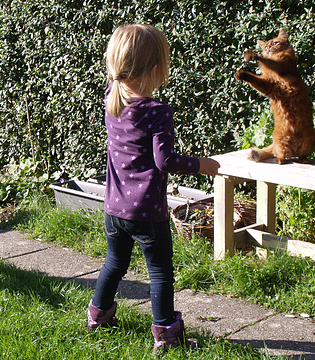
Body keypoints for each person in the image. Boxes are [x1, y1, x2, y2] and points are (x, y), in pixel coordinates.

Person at [86, 24, 220, 354]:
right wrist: (203, 165)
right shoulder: (157, 112)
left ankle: (97, 318)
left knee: (114, 264)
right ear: (157, 69)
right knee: (160, 272)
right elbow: (165, 161)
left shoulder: (111, 98)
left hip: (114, 208)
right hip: (147, 213)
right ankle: (167, 337)